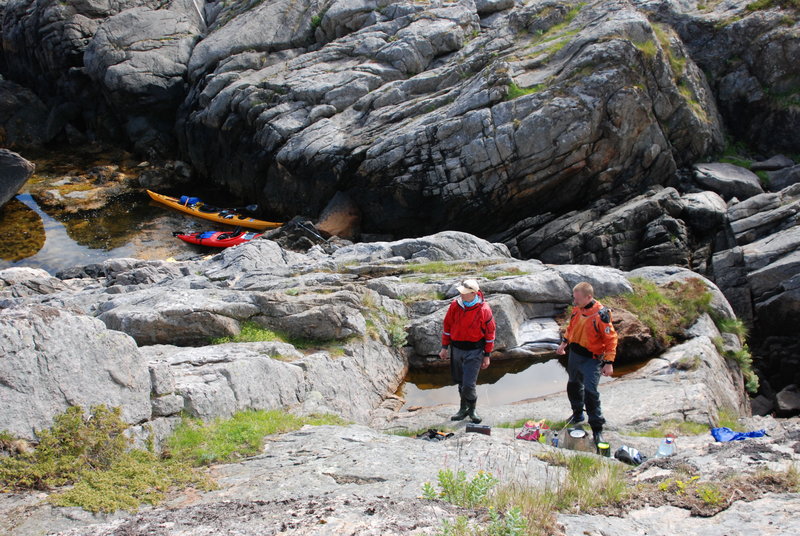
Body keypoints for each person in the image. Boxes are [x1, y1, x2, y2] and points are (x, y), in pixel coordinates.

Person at [556, 282, 617, 445]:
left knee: (591, 392)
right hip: (575, 354)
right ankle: (577, 414)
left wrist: (609, 362)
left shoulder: (601, 315)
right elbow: (572, 328)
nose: (574, 302)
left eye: (577, 299)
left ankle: (597, 429)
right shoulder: (577, 309)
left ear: (588, 297)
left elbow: (611, 339)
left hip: (592, 359)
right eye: (574, 298)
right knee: (573, 385)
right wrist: (564, 344)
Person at [438, 279, 496, 424]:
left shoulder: (484, 310)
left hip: (475, 351)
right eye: (461, 292)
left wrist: (487, 355)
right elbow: (447, 327)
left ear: (474, 293)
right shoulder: (454, 306)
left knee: (469, 385)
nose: (461, 295)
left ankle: (472, 410)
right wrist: (444, 347)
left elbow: (490, 335)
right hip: (457, 349)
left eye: (464, 293)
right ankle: (462, 409)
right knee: (460, 382)